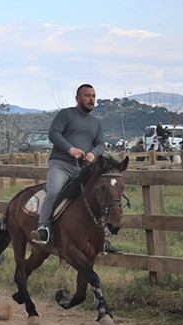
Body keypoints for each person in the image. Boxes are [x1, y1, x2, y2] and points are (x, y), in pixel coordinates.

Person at [29, 84, 122, 254]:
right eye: (87, 95)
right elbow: (54, 134)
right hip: (61, 164)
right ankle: (43, 229)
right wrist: (70, 149)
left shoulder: (96, 123)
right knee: (54, 191)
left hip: (84, 168)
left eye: (93, 96)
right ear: (77, 98)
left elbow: (101, 144)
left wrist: (93, 153)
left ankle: (102, 237)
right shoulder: (66, 115)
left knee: (97, 197)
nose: (91, 99)